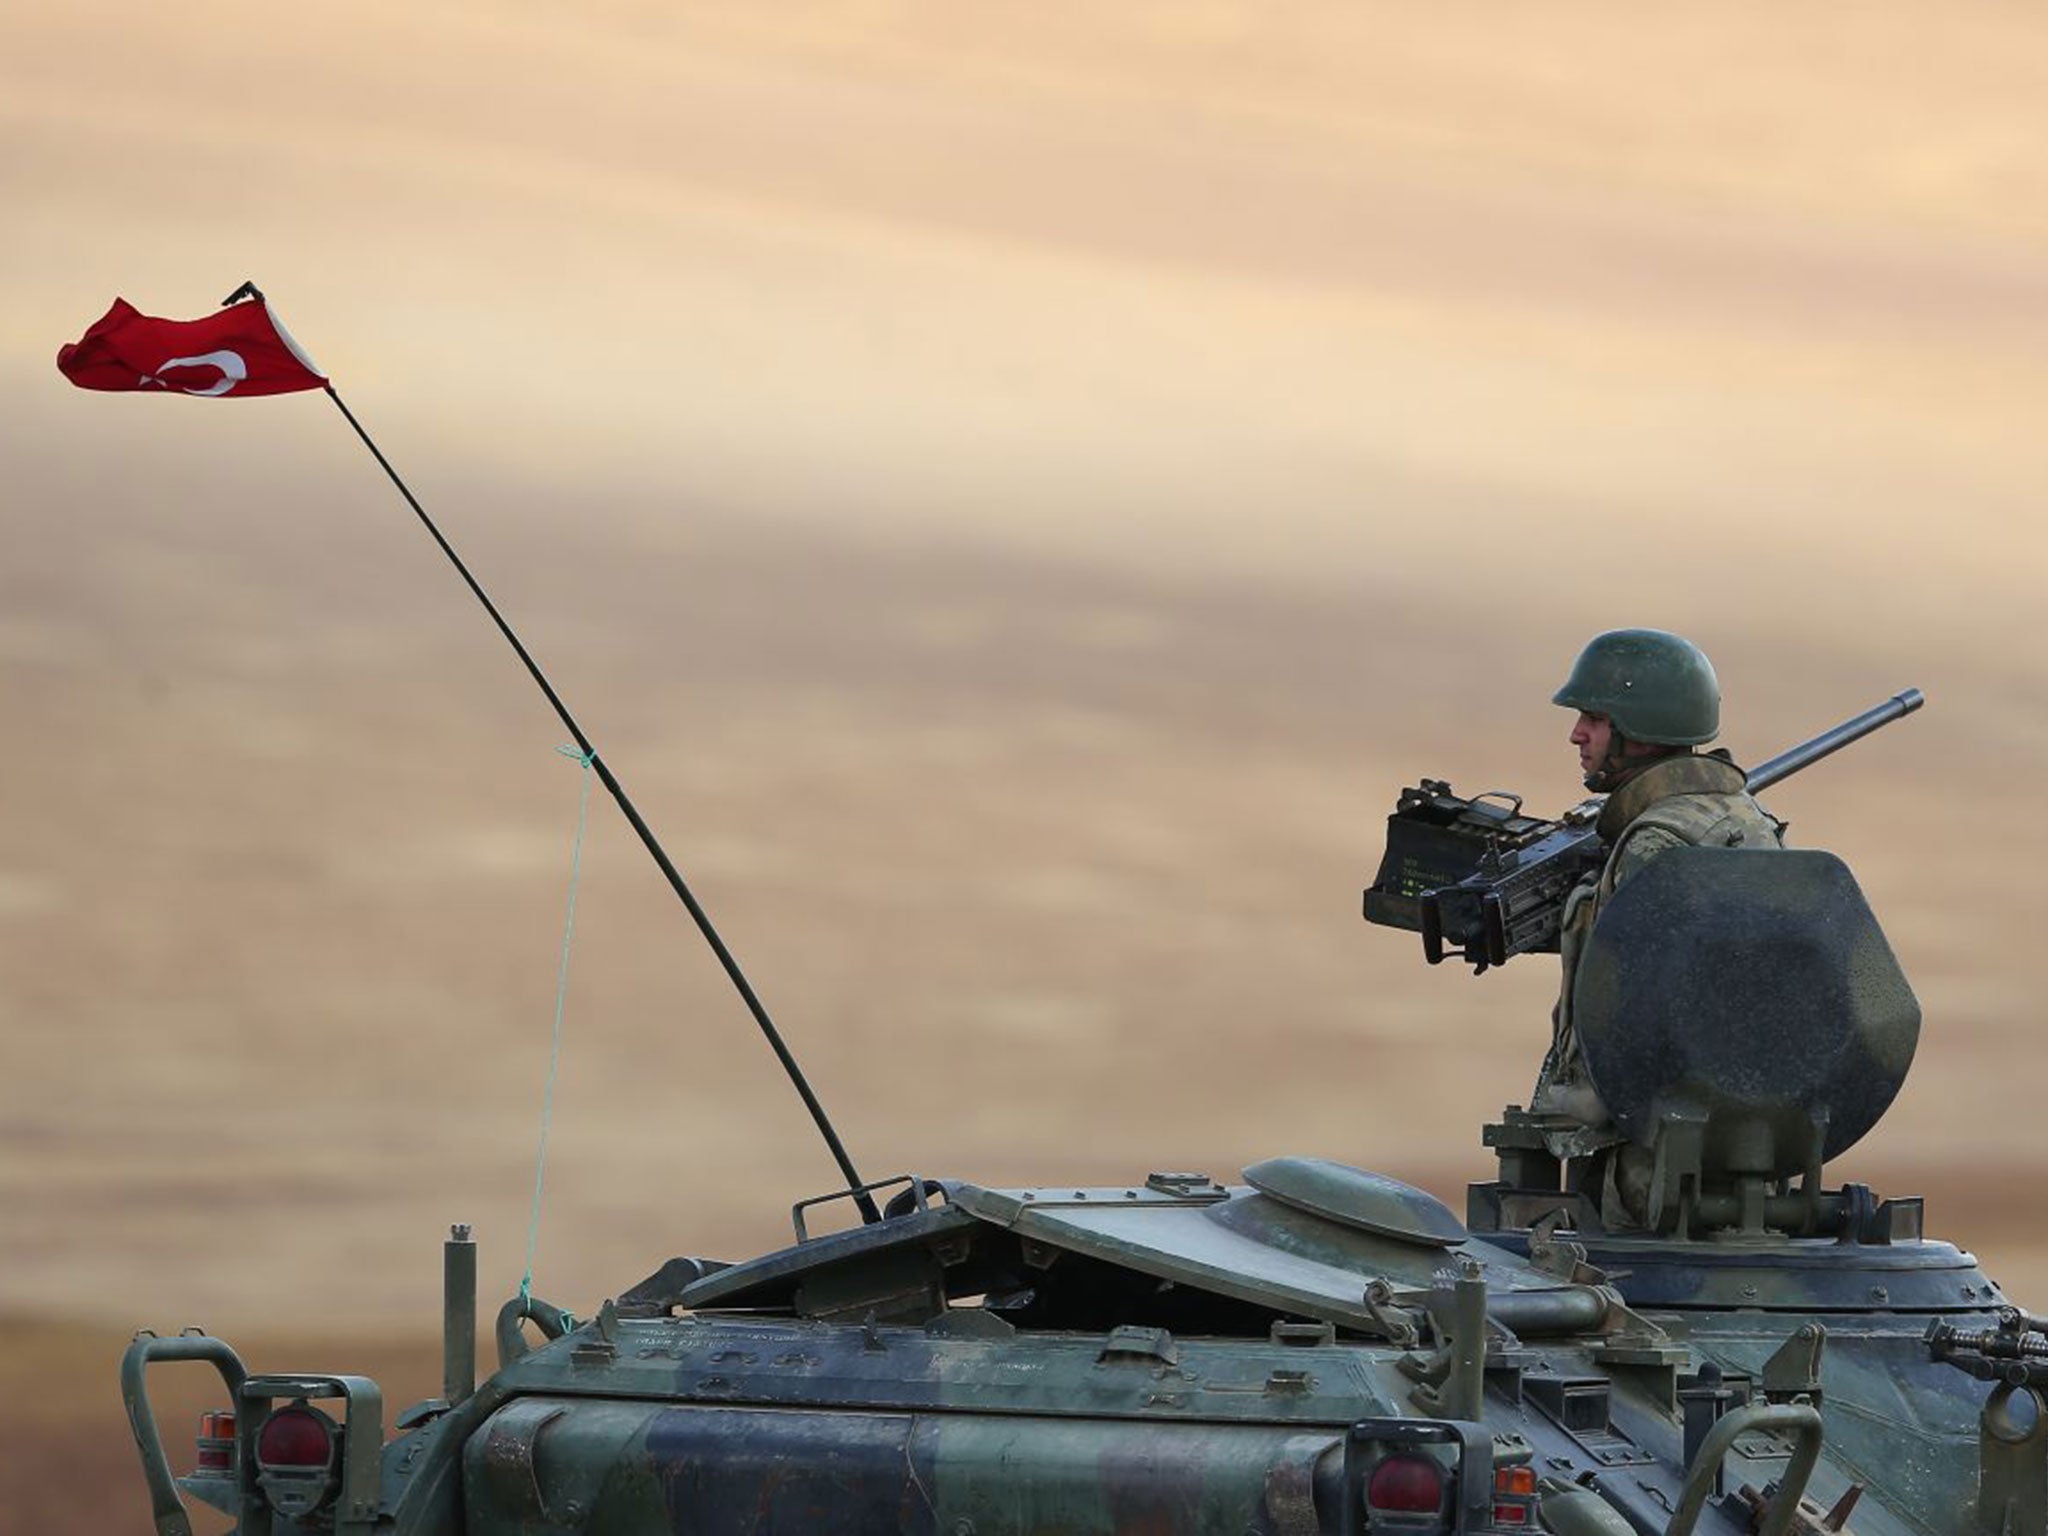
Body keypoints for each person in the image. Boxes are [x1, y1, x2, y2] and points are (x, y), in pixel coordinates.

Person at [1531, 629, 1784, 1131]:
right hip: (1736, 1123)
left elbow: (1638, 1016)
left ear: (1640, 730)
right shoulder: (1746, 818)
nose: (1577, 734)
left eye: (1595, 719)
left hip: (1649, 1151)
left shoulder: (1655, 846)